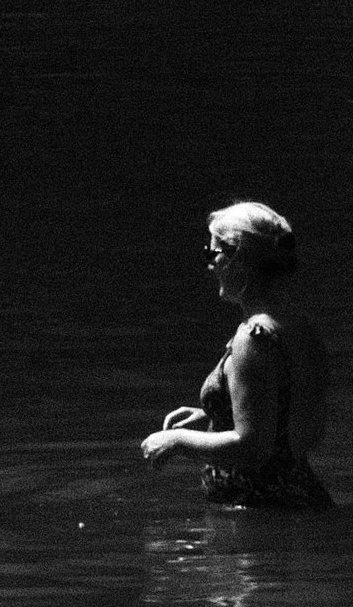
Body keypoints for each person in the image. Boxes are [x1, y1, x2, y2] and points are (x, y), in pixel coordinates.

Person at [141, 200, 333, 508]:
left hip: (265, 515)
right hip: (297, 500)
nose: (209, 264)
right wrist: (217, 410)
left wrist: (177, 441)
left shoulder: (253, 340)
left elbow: (252, 447)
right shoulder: (296, 327)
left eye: (213, 254)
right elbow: (291, 410)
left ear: (238, 260)